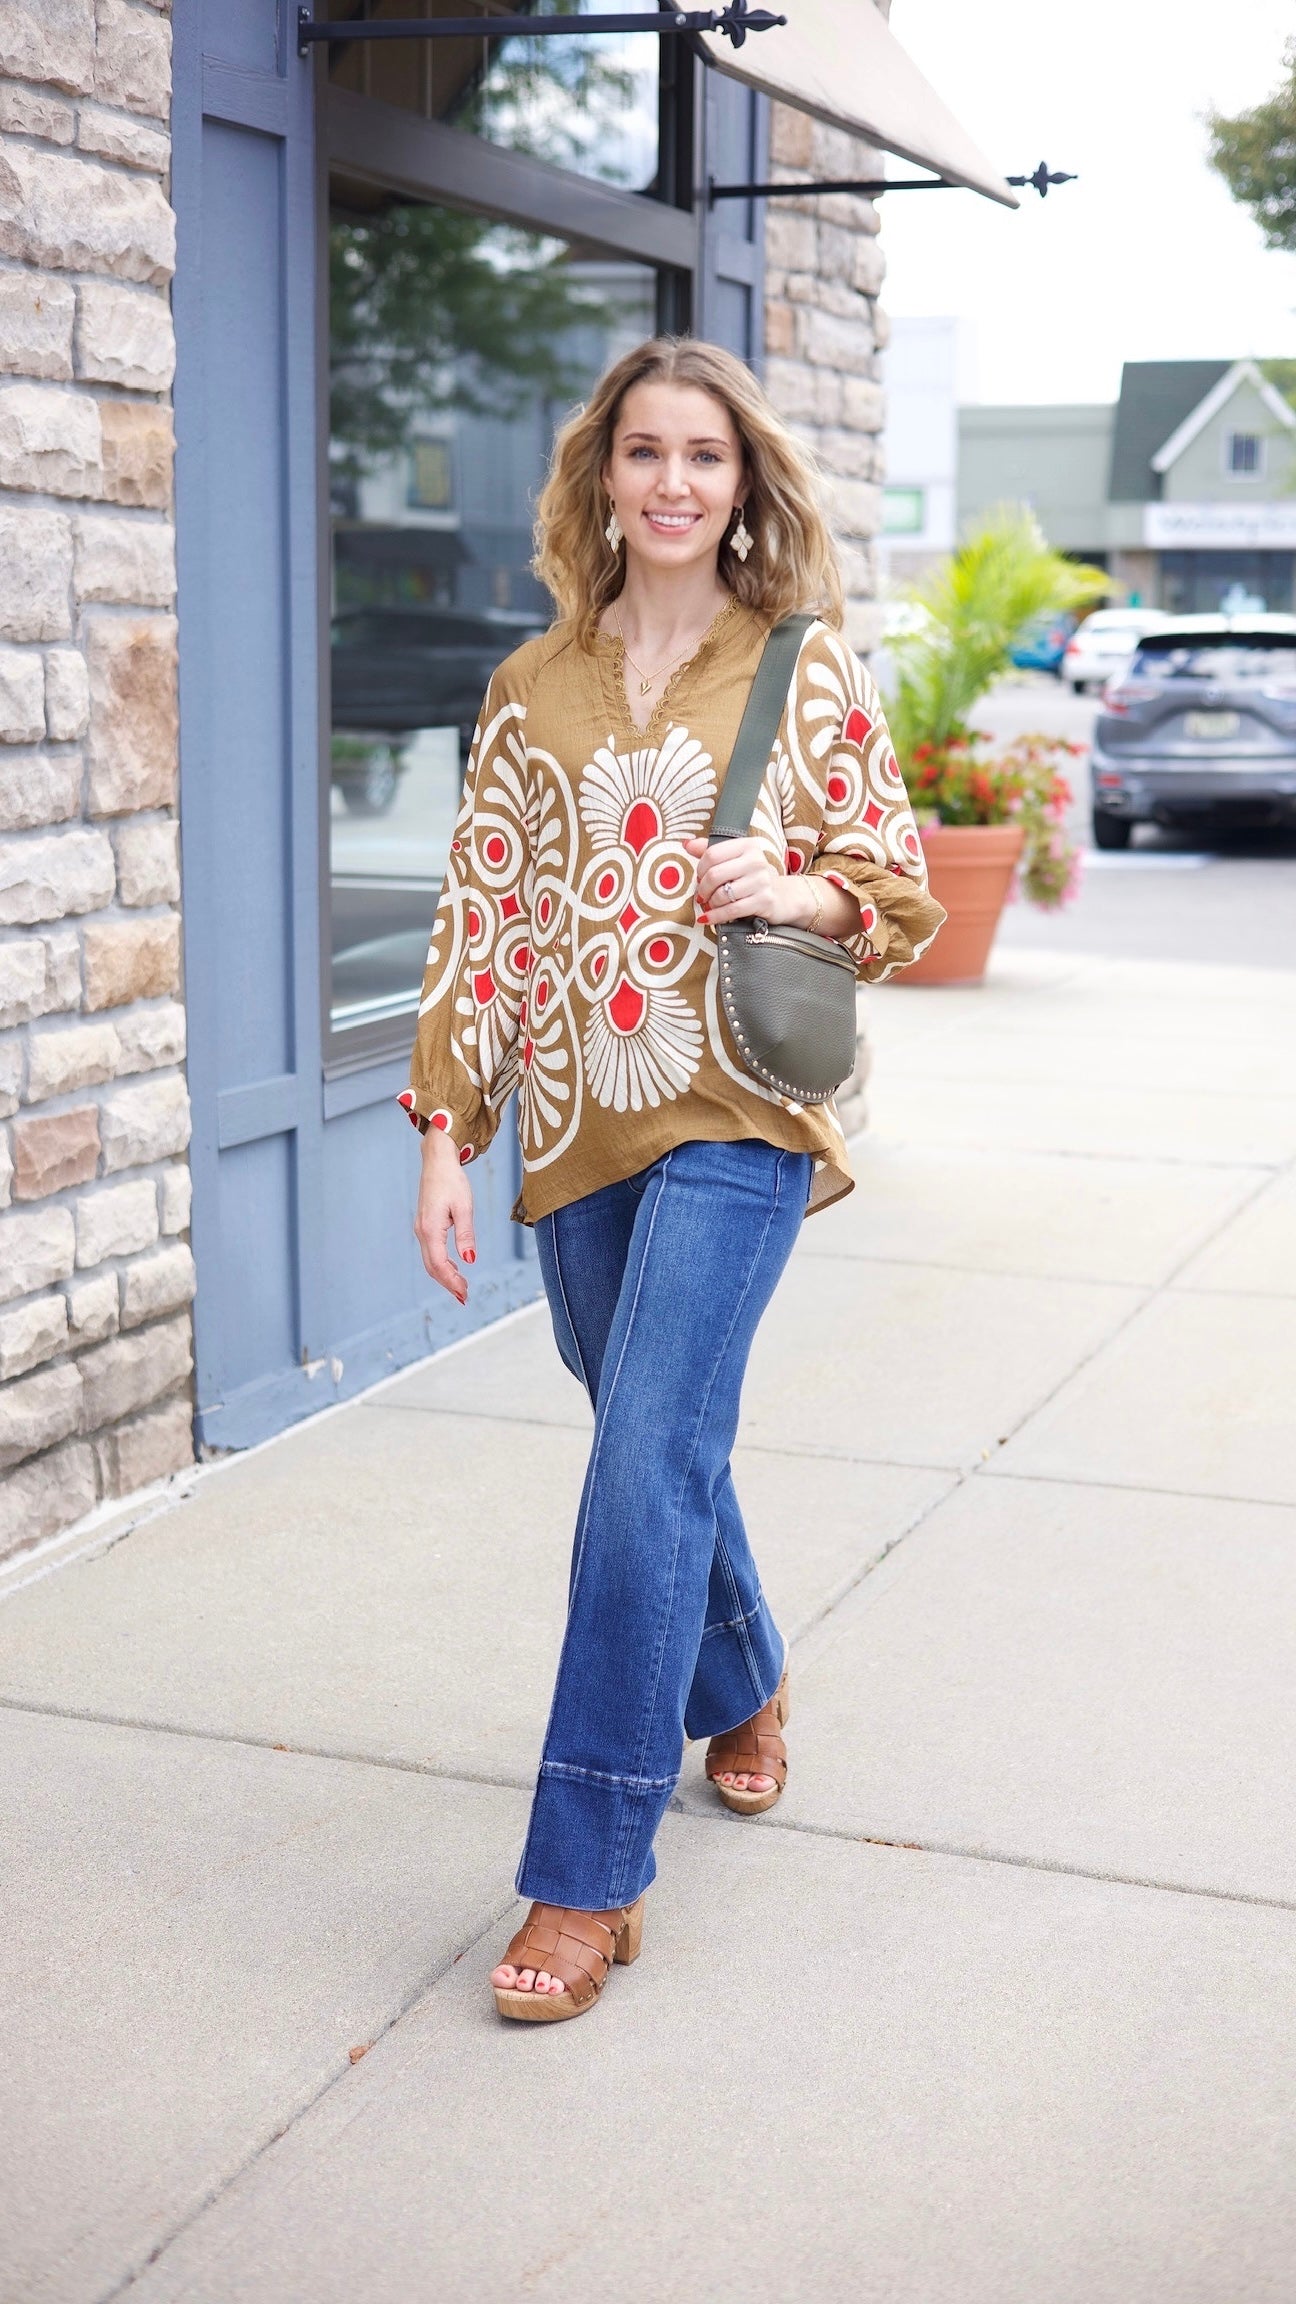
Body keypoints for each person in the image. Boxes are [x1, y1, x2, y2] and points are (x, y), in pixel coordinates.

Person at [400, 337, 944, 2024]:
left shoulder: (807, 666)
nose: (673, 483)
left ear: (742, 483)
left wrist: (794, 886)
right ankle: (748, 1677)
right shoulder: (530, 685)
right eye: (644, 453)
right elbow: (481, 912)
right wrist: (445, 1132)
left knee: (642, 1458)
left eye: (703, 456)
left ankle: (587, 1873)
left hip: (735, 1111)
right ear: (601, 479)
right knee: (656, 1441)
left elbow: (897, 888)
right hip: (571, 1124)